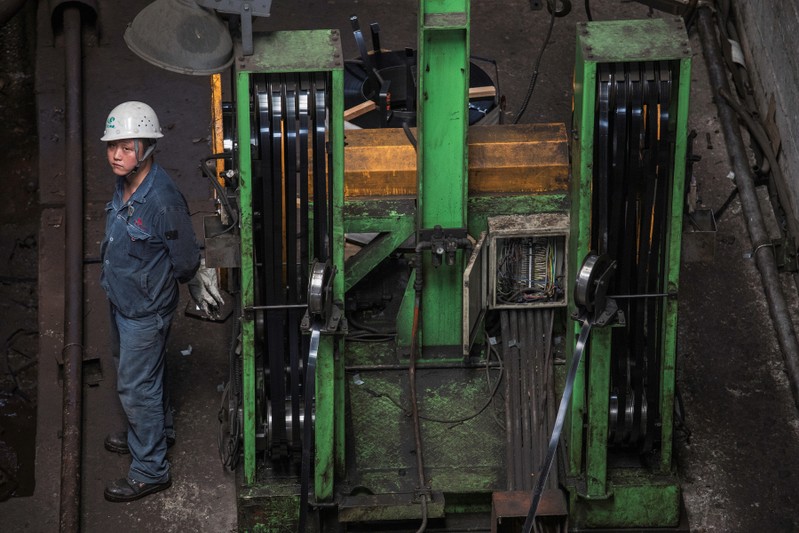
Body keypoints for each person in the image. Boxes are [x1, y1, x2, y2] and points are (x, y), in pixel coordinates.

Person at [98, 101, 223, 502]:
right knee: (140, 377)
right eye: (112, 145)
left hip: (145, 311)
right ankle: (153, 431)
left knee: (137, 387)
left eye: (127, 147)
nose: (116, 155)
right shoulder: (126, 181)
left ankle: (150, 467)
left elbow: (185, 259)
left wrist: (195, 277)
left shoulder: (162, 201)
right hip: (123, 299)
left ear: (148, 148)